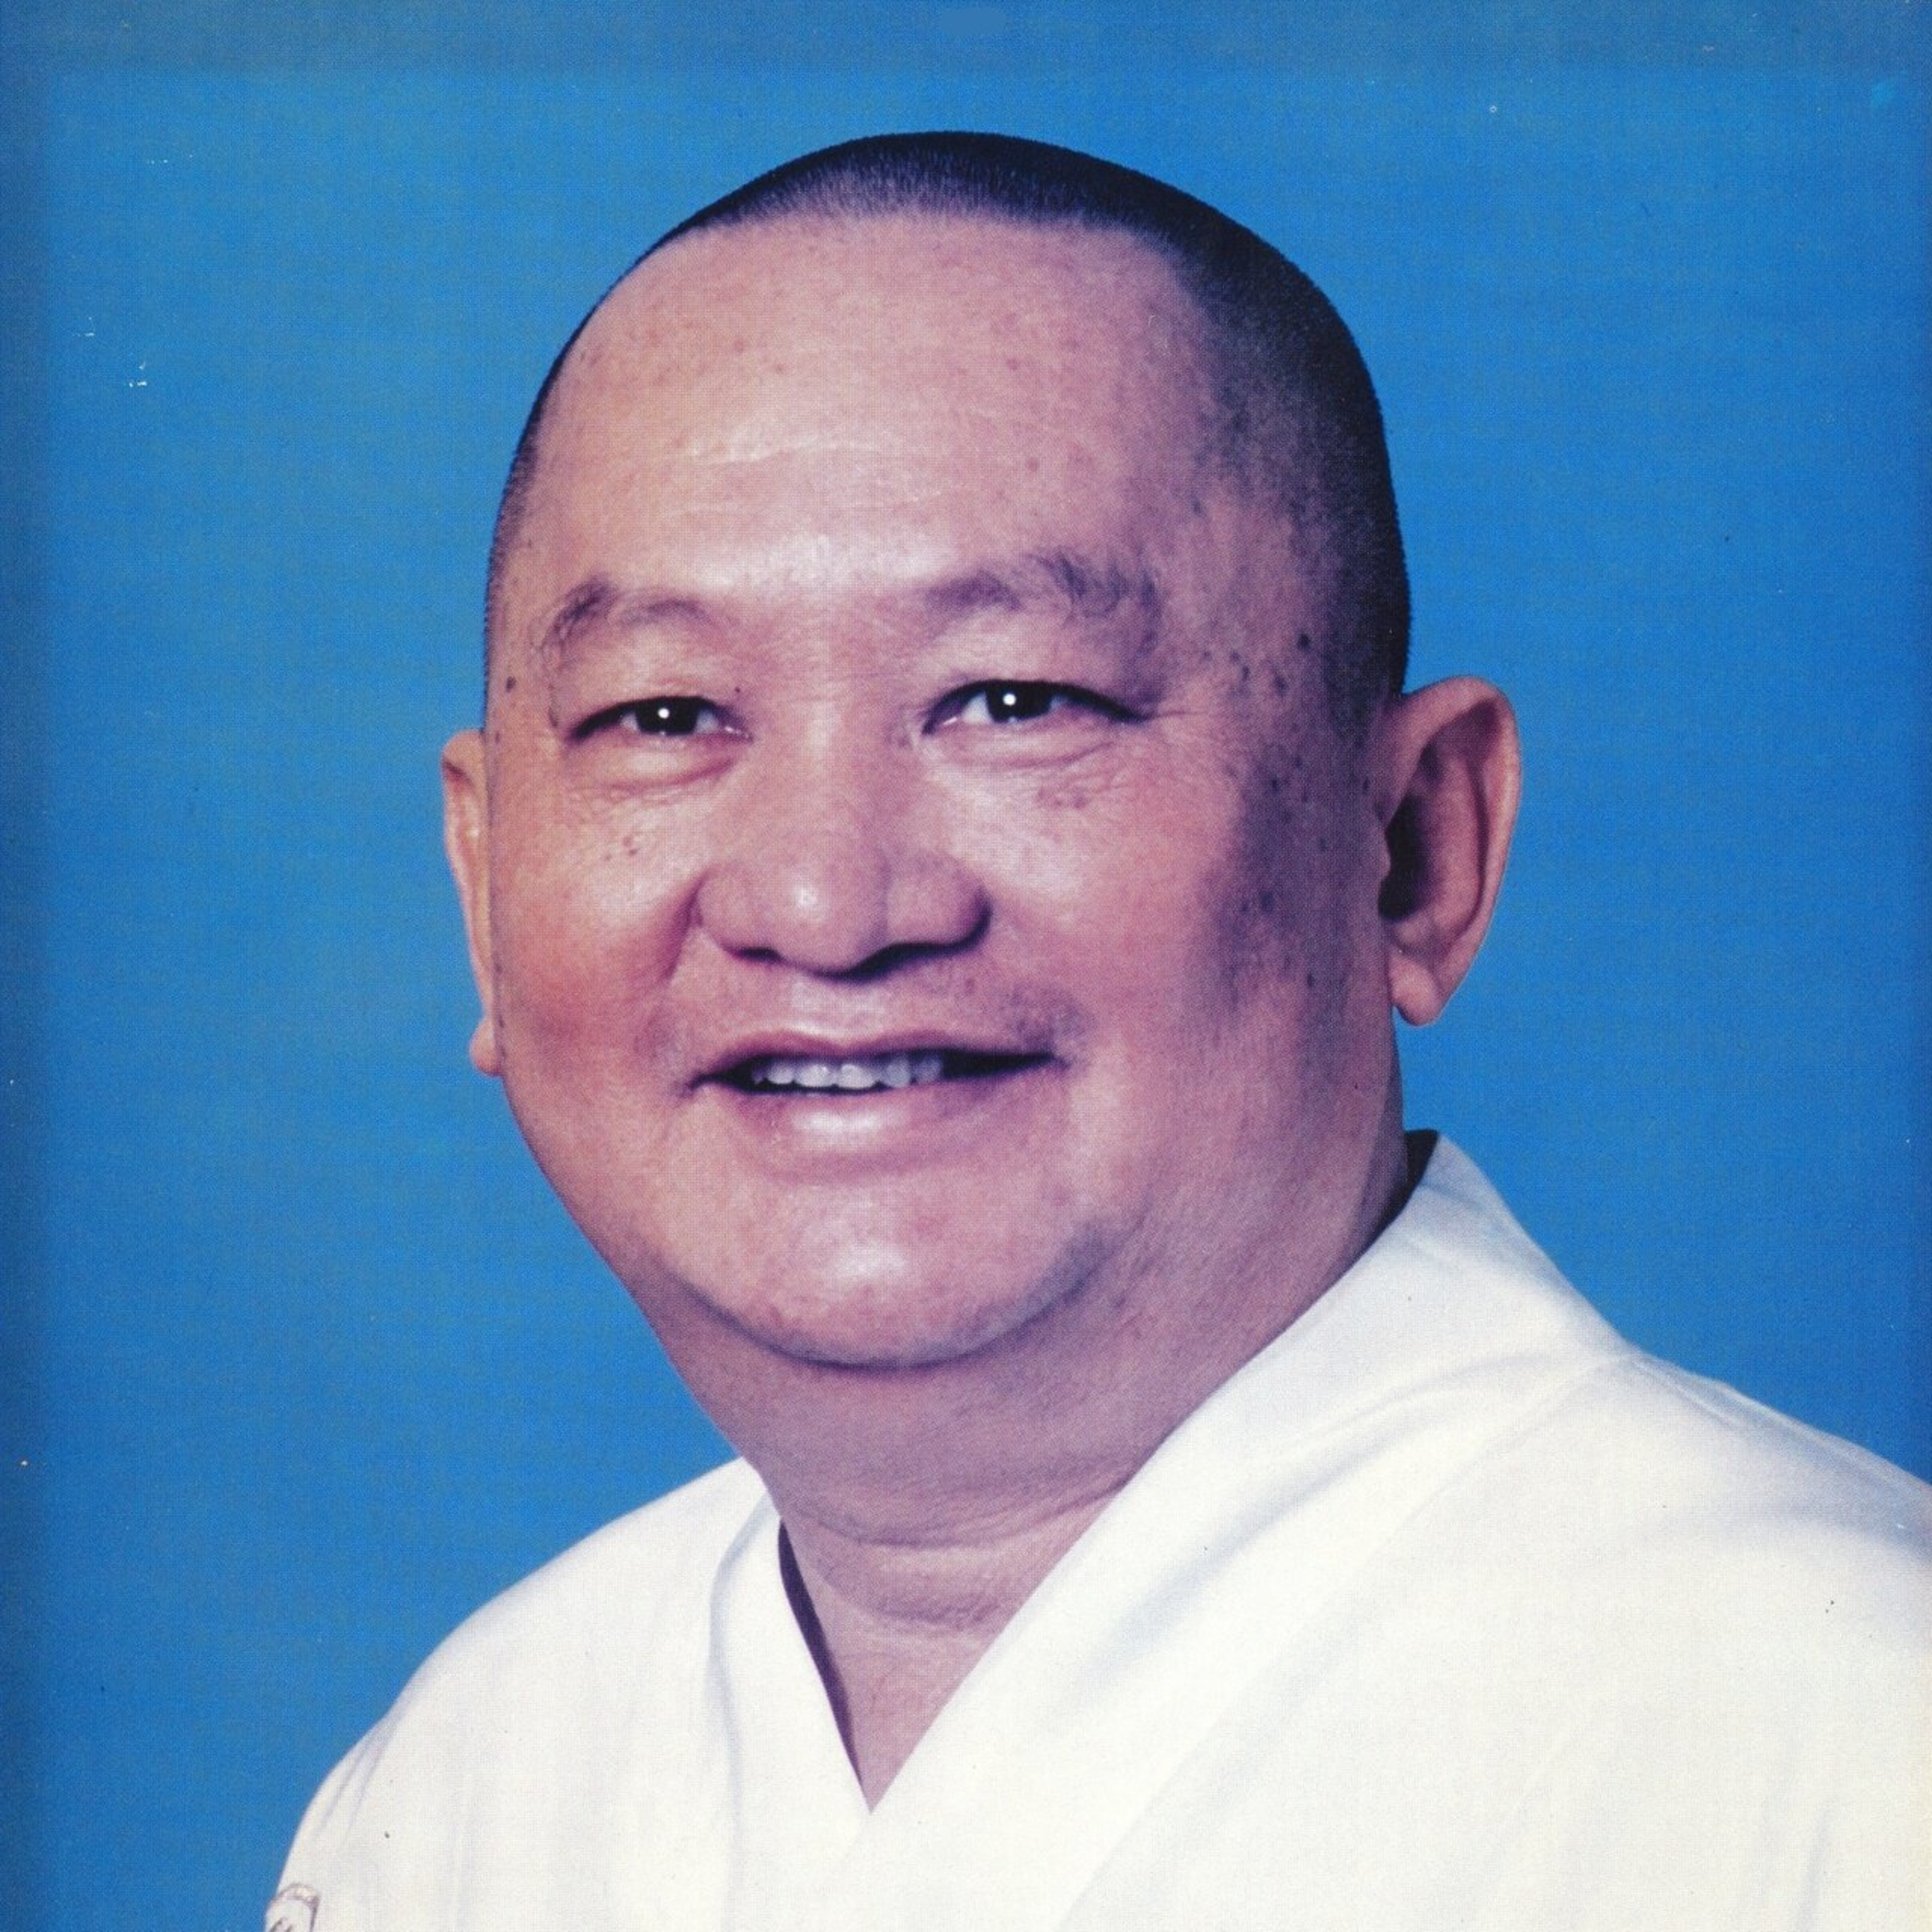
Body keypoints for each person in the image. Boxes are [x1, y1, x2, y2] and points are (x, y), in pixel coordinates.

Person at [268, 133, 1929, 1931]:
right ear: (484, 889)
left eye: (1014, 699)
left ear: (1414, 850)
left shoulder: (1843, 1743)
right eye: (664, 716)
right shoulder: (467, 1783)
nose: (824, 901)